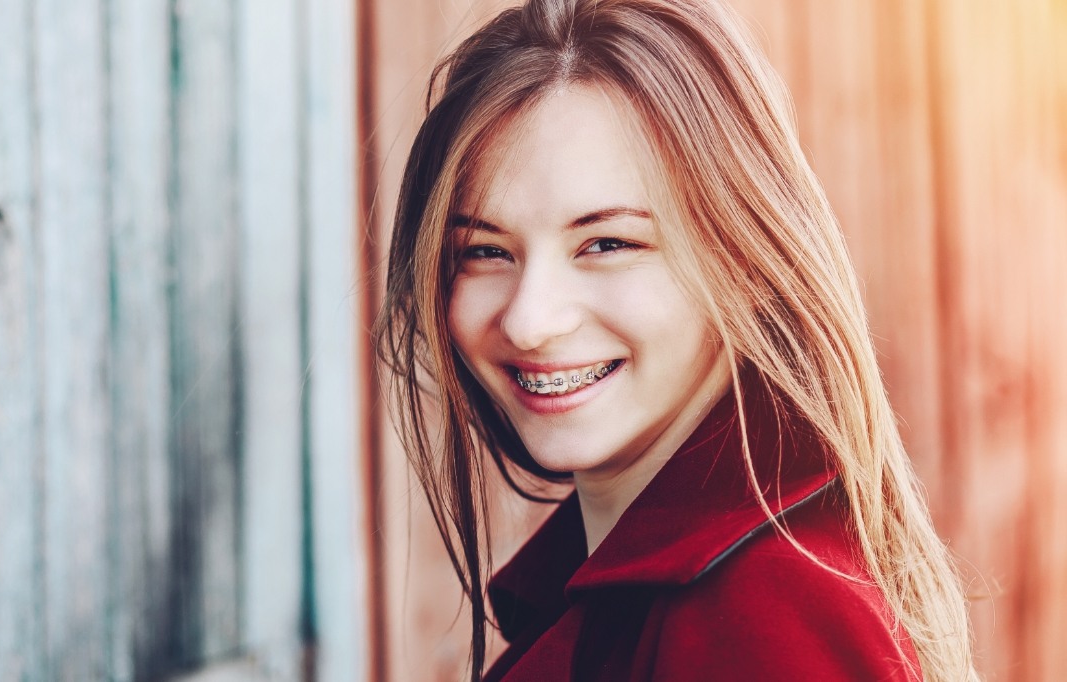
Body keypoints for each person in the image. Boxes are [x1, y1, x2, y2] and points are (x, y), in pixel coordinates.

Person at [374, 0, 978, 679]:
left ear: (745, 261)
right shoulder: (645, 590)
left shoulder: (764, 614)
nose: (528, 320)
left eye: (607, 243)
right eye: (485, 250)